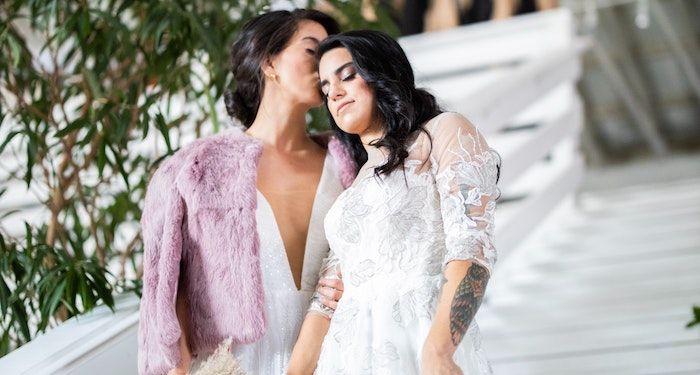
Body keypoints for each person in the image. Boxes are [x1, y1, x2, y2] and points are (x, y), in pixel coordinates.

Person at [138, 9, 357, 375]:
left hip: (337, 358)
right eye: (311, 50)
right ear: (269, 61)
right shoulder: (194, 170)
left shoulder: (350, 163)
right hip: (237, 364)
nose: (325, 66)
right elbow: (165, 293)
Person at [288, 30, 501, 374]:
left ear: (381, 73)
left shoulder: (444, 133)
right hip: (347, 359)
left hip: (419, 342)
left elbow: (472, 248)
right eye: (326, 89)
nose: (336, 93)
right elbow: (326, 302)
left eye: (347, 76)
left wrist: (439, 351)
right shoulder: (352, 189)